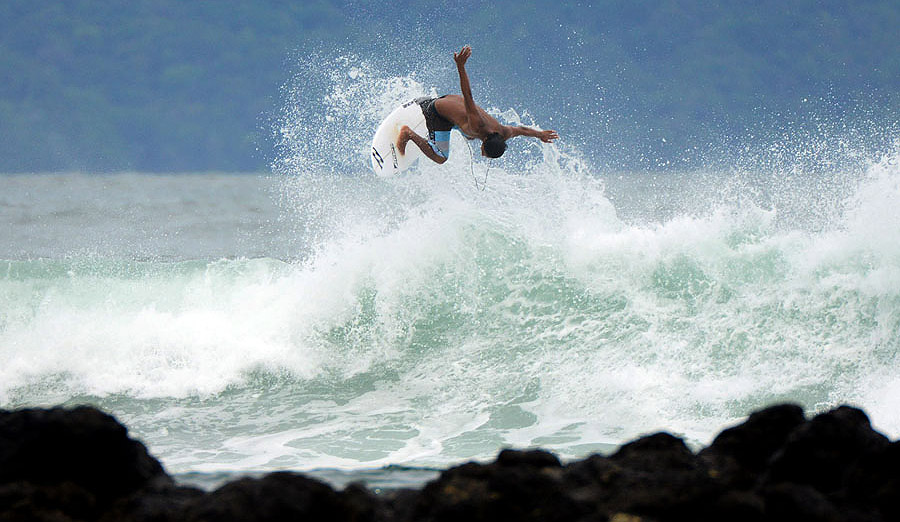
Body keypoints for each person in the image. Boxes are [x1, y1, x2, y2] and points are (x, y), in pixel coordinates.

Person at [397, 45, 559, 164]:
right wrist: (460, 66)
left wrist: (540, 135)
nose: (482, 154)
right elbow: (468, 96)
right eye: (484, 151)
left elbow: (522, 130)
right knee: (441, 157)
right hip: (436, 113)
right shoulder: (477, 124)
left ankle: (432, 131)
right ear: (486, 140)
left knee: (468, 134)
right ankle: (408, 134)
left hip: (449, 104)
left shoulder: (504, 133)